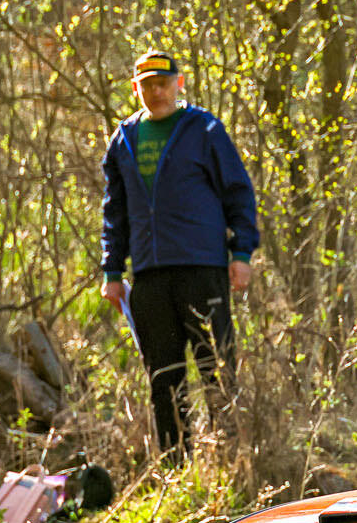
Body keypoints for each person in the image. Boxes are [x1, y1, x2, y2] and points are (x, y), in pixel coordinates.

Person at [100, 50, 260, 456]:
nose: (156, 92)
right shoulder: (124, 139)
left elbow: (238, 192)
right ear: (135, 88)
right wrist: (112, 272)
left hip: (202, 268)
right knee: (163, 376)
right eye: (148, 85)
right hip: (150, 276)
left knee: (216, 369)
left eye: (163, 83)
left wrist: (241, 253)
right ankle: (176, 463)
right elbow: (114, 212)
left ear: (179, 84)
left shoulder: (204, 129)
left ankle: (230, 457)